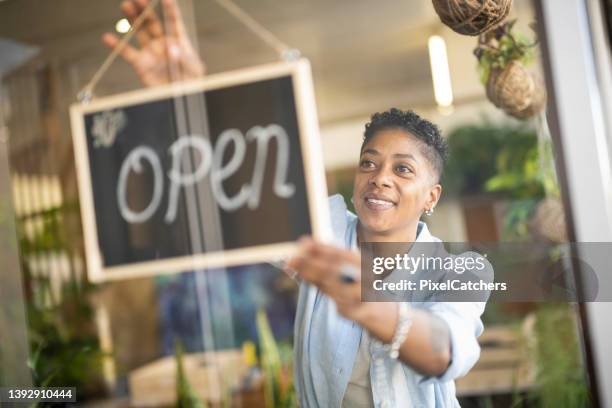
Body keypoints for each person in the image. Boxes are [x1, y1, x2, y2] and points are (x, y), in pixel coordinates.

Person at [103, 2, 487, 406]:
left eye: (403, 169)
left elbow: (446, 349)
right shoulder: (327, 229)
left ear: (432, 196)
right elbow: (249, 189)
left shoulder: (463, 269)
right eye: (368, 163)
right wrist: (189, 98)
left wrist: (362, 298)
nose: (380, 177)